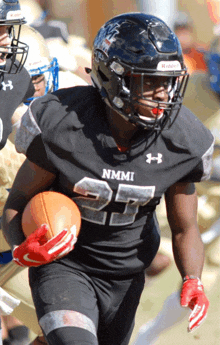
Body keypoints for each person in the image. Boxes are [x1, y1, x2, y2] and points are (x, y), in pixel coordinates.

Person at [2, 12, 214, 345]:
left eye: (167, 82)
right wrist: (20, 242)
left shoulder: (183, 139)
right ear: (109, 76)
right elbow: (18, 201)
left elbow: (185, 226)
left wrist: (193, 279)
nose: (161, 94)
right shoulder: (64, 122)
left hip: (126, 276)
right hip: (65, 266)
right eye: (148, 81)